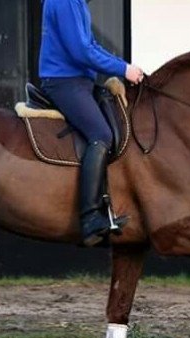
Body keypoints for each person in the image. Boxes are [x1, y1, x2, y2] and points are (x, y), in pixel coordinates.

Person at [39, 0, 144, 247]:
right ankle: (89, 218)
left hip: (79, 80)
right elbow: (81, 52)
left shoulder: (77, 3)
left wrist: (123, 67)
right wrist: (123, 68)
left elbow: (91, 45)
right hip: (64, 81)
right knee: (101, 135)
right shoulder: (65, 1)